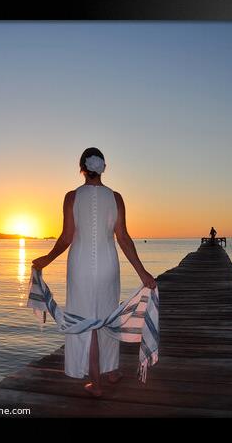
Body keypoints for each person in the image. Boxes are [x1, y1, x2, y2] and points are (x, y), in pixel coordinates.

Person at [32, 147, 157, 397]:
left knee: (86, 319)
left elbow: (67, 237)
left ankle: (96, 383)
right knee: (109, 314)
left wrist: (46, 259)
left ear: (82, 168)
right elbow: (122, 237)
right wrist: (143, 273)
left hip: (79, 266)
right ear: (103, 168)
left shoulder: (71, 197)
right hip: (108, 264)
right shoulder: (117, 197)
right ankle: (111, 371)